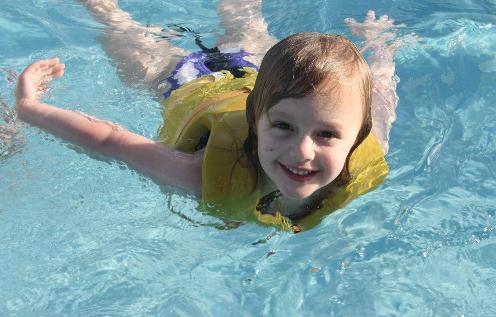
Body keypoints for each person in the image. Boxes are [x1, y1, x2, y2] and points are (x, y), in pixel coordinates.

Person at [15, 0, 403, 232]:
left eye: (327, 135)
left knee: (246, 20)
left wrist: (381, 50)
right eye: (283, 127)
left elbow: (381, 101)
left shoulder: (369, 151)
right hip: (182, 81)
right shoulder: (197, 173)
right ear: (255, 121)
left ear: (356, 137)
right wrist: (32, 108)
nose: (303, 151)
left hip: (259, 74)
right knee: (121, 32)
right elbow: (110, 140)